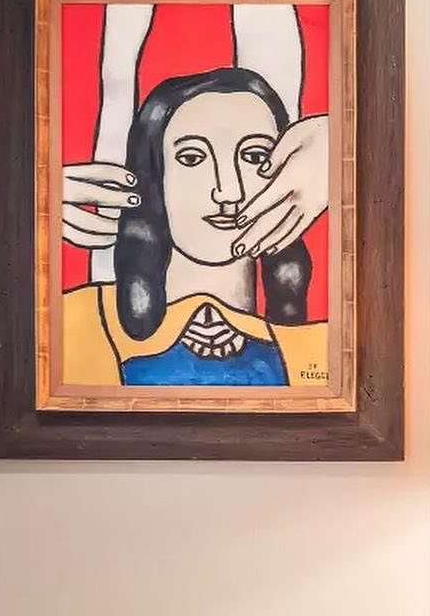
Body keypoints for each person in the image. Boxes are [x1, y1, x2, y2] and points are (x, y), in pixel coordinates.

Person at [62, 68, 327, 387]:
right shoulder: (75, 322)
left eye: (255, 156)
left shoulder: (319, 343)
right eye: (192, 158)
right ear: (155, 178)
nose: (228, 193)